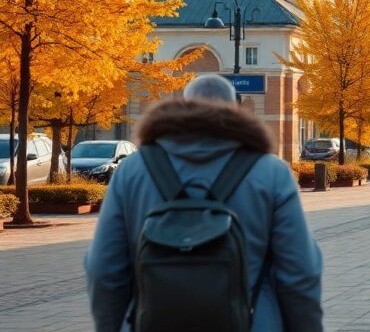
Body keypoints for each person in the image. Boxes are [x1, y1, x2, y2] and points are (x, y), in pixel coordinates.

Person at [84, 75, 324, 331]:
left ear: (183, 106)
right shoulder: (271, 172)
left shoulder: (132, 170)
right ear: (235, 109)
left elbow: (104, 269)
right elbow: (300, 271)